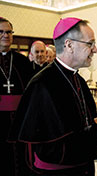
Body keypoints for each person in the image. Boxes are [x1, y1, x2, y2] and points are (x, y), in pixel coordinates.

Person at [8, 17, 97, 176]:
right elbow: (50, 149)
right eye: (90, 43)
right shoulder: (42, 85)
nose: (95, 49)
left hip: (82, 167)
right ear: (69, 45)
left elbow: (81, 124)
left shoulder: (78, 79)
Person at [0, 17, 34, 176]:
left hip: (20, 121)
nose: (5, 35)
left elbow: (32, 92)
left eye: (8, 32)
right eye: (1, 32)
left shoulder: (22, 61)